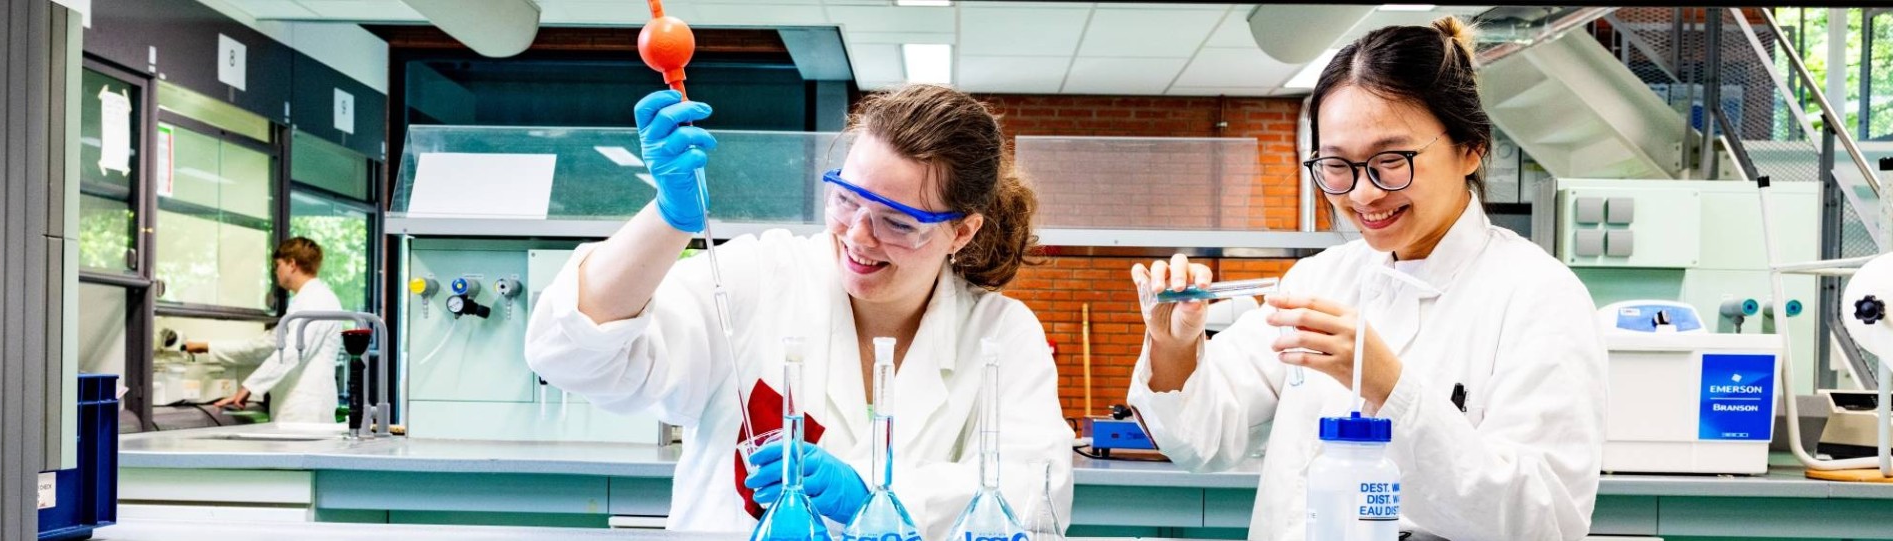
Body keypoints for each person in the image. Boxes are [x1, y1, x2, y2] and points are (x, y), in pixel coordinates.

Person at [1126, 17, 1608, 541]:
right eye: (1337, 165)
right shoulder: (1319, 281)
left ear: (1471, 147)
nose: (1361, 195)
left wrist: (1391, 387)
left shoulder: (1538, 297)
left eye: (1390, 161)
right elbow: (1205, 441)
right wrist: (1172, 343)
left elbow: (1543, 520)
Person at [525, 85, 1074, 537]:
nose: (858, 237)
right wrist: (668, 219)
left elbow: (1038, 493)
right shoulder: (760, 276)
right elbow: (572, 357)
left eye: (898, 222)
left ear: (961, 231)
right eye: (846, 199)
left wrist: (871, 492)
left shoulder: (1001, 334)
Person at [184, 237, 345, 424]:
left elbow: (293, 351)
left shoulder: (317, 300)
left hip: (307, 410)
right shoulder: (304, 301)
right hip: (294, 408)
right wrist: (206, 347)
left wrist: (249, 387)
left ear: (292, 264)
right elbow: (265, 345)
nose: (276, 272)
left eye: (278, 265)